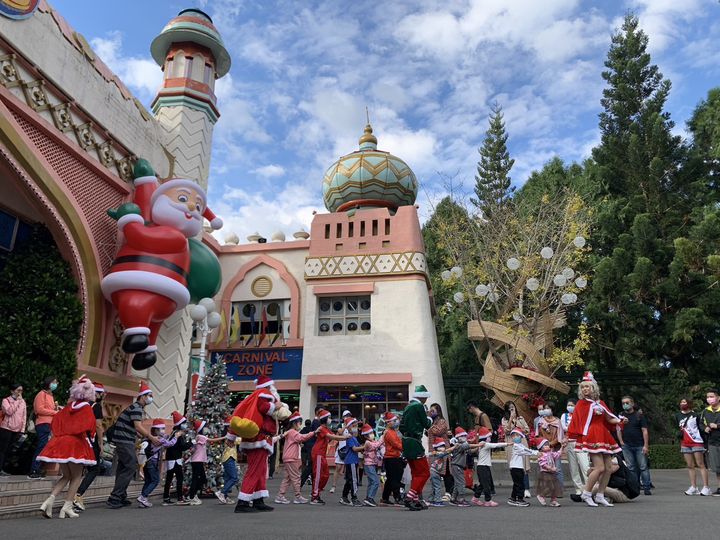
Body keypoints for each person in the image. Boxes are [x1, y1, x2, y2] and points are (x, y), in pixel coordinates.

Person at [37, 377, 97, 519]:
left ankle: (49, 501)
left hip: (62, 442)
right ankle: (67, 506)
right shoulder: (87, 407)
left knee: (66, 475)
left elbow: (56, 421)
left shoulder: (69, 406)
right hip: (75, 443)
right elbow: (90, 425)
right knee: (77, 476)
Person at [567, 371, 626, 508]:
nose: (585, 389)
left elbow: (609, 417)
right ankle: (587, 493)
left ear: (593, 387)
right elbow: (577, 422)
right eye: (583, 387)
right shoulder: (581, 404)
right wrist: (573, 437)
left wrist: (621, 420)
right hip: (592, 435)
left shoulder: (600, 403)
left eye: (587, 386)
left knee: (608, 467)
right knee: (599, 468)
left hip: (603, 434)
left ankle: (600, 495)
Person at [231, 375, 288, 513]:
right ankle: (243, 502)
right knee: (255, 470)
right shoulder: (264, 393)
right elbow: (264, 407)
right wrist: (276, 405)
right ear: (269, 386)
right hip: (259, 439)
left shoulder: (254, 396)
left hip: (259, 439)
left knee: (261, 471)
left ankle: (258, 499)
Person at [106, 381, 159, 509]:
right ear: (143, 396)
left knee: (123, 466)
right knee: (130, 466)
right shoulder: (136, 408)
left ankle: (121, 495)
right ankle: (115, 497)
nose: (151, 398)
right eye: (149, 395)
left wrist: (138, 434)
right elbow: (138, 425)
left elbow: (132, 426)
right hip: (124, 441)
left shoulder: (135, 407)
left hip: (124, 440)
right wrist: (151, 437)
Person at [73, 382, 106, 511]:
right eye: (101, 393)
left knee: (77, 469)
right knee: (94, 468)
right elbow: (98, 426)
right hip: (90, 440)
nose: (103, 396)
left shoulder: (80, 404)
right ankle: (78, 494)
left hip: (77, 438)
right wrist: (100, 444)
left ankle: (71, 498)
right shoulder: (95, 406)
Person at [399, 384, 433, 511]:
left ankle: (415, 499)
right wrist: (429, 416)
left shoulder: (408, 406)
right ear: (422, 397)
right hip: (415, 442)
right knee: (424, 473)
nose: (426, 400)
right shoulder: (419, 406)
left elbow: (402, 427)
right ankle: (410, 496)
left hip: (406, 441)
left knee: (415, 472)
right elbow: (427, 424)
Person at [137, 419, 179, 508]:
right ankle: (143, 496)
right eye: (162, 429)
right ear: (156, 430)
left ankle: (143, 500)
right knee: (155, 481)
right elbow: (170, 444)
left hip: (146, 461)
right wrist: (176, 437)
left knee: (148, 481)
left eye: (164, 428)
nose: (163, 430)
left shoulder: (151, 437)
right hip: (152, 462)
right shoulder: (159, 439)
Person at [310, 409, 349, 504]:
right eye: (329, 418)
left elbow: (335, 436)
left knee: (325, 475)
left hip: (322, 454)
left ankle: (317, 493)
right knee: (318, 475)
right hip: (318, 453)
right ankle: (315, 497)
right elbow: (334, 437)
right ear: (325, 419)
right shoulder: (322, 428)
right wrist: (346, 437)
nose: (330, 419)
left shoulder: (326, 428)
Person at [275, 412, 314, 504]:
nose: (300, 424)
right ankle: (297, 497)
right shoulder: (293, 432)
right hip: (292, 458)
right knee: (296, 477)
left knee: (287, 478)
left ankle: (280, 496)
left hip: (287, 457)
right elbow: (302, 438)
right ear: (295, 423)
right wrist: (314, 432)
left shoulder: (290, 432)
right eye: (300, 422)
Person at [616, 395, 652, 495]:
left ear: (632, 403)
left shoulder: (639, 416)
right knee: (631, 467)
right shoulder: (621, 416)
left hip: (639, 444)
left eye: (627, 403)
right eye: (623, 403)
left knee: (643, 466)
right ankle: (635, 486)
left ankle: (646, 487)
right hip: (626, 445)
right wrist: (621, 442)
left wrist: (646, 445)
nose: (625, 405)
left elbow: (644, 431)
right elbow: (618, 429)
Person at [675, 398, 710, 496]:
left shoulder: (695, 415)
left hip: (696, 441)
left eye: (685, 402)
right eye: (681, 402)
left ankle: (706, 487)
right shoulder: (677, 415)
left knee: (700, 464)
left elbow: (700, 428)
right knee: (690, 465)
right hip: (685, 443)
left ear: (689, 403)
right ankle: (694, 487)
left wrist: (705, 443)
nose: (683, 404)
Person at [28, 376, 59, 479]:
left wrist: (56, 409)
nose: (56, 384)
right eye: (54, 382)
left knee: (44, 447)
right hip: (42, 423)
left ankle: (37, 469)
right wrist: (55, 412)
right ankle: (33, 470)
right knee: (41, 446)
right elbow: (39, 410)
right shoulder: (41, 394)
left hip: (48, 424)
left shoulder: (50, 396)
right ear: (49, 383)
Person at [471, 427, 508, 507]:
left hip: (482, 466)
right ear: (485, 437)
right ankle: (488, 500)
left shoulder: (482, 444)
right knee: (486, 484)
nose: (490, 438)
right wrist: (507, 444)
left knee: (482, 484)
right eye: (489, 437)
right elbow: (496, 445)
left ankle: (475, 498)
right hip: (483, 467)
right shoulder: (485, 444)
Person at [561, 398, 589, 500]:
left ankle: (589, 488)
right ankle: (578, 489)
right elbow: (565, 428)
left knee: (585, 466)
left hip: (581, 443)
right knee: (573, 468)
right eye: (569, 405)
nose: (570, 407)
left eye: (572, 405)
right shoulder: (564, 416)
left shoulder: (582, 415)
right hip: (570, 443)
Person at [448, 427, 483, 507]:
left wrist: (478, 448)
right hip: (456, 466)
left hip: (458, 466)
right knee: (461, 483)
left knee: (457, 483)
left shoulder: (462, 446)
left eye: (464, 436)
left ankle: (453, 499)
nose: (464, 437)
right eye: (462, 436)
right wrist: (478, 444)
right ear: (458, 437)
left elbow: (470, 451)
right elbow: (469, 445)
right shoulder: (459, 445)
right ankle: (461, 499)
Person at [163, 410, 192, 505]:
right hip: (175, 460)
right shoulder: (178, 434)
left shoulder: (173, 432)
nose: (185, 425)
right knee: (179, 478)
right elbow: (182, 446)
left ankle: (166, 497)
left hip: (171, 458)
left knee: (169, 478)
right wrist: (191, 443)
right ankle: (180, 497)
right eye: (184, 423)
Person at [536, 401, 565, 491]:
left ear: (552, 410)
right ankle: (546, 490)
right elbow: (538, 435)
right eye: (545, 408)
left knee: (557, 469)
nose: (546, 410)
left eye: (548, 408)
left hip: (555, 448)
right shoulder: (540, 421)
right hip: (544, 449)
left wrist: (551, 444)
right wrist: (543, 444)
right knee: (545, 470)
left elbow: (560, 436)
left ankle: (559, 489)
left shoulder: (557, 421)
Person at [507, 428, 538, 506]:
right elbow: (526, 451)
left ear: (521, 436)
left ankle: (513, 498)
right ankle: (520, 499)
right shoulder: (516, 446)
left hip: (518, 467)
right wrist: (536, 453)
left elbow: (526, 449)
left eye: (517, 435)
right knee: (520, 484)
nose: (515, 437)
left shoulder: (520, 445)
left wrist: (536, 452)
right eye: (513, 436)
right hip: (516, 467)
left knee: (516, 484)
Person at [0, 383, 26, 475]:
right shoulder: (6, 400)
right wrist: (17, 401)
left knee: (10, 450)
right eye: (18, 390)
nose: (20, 393)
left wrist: (22, 430)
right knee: (2, 449)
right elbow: (9, 411)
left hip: (17, 430)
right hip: (6, 428)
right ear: (12, 391)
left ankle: (3, 468)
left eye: (21, 391)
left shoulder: (22, 402)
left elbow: (24, 416)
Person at [427, 402, 452, 497]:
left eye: (433, 411)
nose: (430, 412)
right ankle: (435, 493)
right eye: (430, 410)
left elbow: (437, 431)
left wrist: (429, 425)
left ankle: (449, 492)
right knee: (435, 470)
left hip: (443, 448)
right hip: (434, 448)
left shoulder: (442, 421)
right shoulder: (432, 422)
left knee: (445, 471)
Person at [379, 411, 403, 506]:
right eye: (394, 421)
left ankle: (385, 498)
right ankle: (397, 498)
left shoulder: (392, 432)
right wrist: (406, 447)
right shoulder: (389, 433)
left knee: (390, 479)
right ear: (388, 422)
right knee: (395, 479)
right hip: (392, 458)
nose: (396, 422)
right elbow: (396, 445)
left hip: (392, 457)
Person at [699, 388, 720, 496]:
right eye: (708, 397)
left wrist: (717, 426)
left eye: (712, 396)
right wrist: (705, 428)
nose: (709, 399)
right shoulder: (705, 411)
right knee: (717, 467)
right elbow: (701, 424)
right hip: (712, 442)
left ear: (718, 397)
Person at [339, 417, 363, 507]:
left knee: (349, 480)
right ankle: (354, 498)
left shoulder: (354, 437)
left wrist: (363, 448)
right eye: (354, 425)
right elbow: (355, 449)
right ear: (349, 427)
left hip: (352, 461)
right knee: (354, 480)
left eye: (356, 425)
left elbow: (358, 447)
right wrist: (364, 447)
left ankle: (344, 497)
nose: (356, 427)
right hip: (351, 461)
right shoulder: (349, 437)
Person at [360, 423, 383, 507]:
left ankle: (368, 498)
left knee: (371, 482)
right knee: (375, 481)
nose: (372, 434)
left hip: (372, 464)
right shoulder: (367, 443)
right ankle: (370, 498)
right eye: (370, 433)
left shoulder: (371, 441)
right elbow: (376, 446)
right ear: (366, 436)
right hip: (368, 464)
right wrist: (382, 438)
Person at [535, 438, 563, 507]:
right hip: (545, 473)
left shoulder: (550, 453)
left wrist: (562, 447)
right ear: (540, 448)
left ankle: (553, 500)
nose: (547, 446)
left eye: (548, 444)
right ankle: (541, 495)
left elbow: (557, 454)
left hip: (552, 473)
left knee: (555, 487)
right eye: (545, 445)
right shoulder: (541, 455)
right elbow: (543, 464)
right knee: (550, 486)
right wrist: (551, 468)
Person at [187, 419, 209, 505]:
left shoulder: (197, 437)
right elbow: (212, 440)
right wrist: (225, 437)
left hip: (197, 460)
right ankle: (192, 496)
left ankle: (193, 494)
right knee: (197, 479)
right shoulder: (200, 437)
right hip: (197, 461)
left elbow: (193, 449)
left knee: (202, 478)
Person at [216, 432, 241, 504]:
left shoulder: (228, 437)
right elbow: (242, 440)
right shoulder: (233, 438)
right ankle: (222, 493)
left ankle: (225, 497)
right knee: (234, 478)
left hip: (225, 459)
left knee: (227, 478)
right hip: (230, 458)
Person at [300, 407, 322, 488]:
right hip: (312, 448)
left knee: (311, 467)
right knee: (310, 467)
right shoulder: (316, 422)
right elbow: (317, 435)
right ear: (317, 412)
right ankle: (302, 483)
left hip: (310, 447)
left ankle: (313, 484)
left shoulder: (316, 422)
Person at [428, 438, 449, 506]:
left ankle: (431, 499)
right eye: (441, 446)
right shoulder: (437, 453)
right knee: (438, 486)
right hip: (434, 471)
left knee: (434, 486)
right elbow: (445, 453)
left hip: (433, 471)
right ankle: (438, 500)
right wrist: (450, 450)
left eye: (443, 446)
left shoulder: (436, 453)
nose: (443, 448)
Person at [330, 424, 345, 494]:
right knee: (338, 468)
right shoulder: (341, 425)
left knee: (350, 469)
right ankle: (333, 486)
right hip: (341, 450)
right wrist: (346, 426)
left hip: (349, 450)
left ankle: (349, 487)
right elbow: (340, 432)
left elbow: (355, 434)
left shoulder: (352, 426)